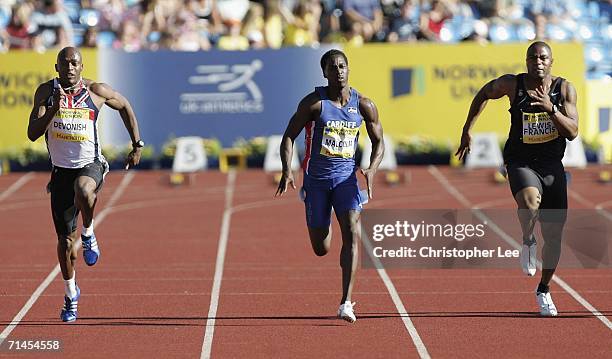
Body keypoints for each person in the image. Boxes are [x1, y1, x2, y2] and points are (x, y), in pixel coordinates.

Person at [456, 41, 579, 316]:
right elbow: (484, 93)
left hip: (551, 164)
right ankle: (527, 240)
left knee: (555, 237)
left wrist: (551, 108)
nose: (538, 61)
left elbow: (572, 132)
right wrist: (467, 129)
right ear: (526, 61)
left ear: (551, 61)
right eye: (533, 57)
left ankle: (544, 289)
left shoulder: (564, 89)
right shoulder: (513, 85)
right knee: (530, 200)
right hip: (520, 160)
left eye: (543, 57)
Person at [27, 47, 144, 322]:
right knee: (65, 243)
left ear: (81, 67)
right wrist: (52, 109)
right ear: (56, 68)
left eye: (74, 63)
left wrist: (136, 144)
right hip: (60, 173)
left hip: (91, 165)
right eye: (64, 63)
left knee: (84, 190)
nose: (69, 67)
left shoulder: (96, 91)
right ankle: (71, 294)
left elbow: (125, 106)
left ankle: (89, 233)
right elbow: (33, 133)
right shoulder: (46, 92)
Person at [275, 49, 384, 323]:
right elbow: (289, 136)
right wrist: (288, 169)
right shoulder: (314, 103)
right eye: (333, 67)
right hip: (317, 182)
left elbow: (379, 141)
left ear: (348, 69)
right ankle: (319, 214)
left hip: (346, 180)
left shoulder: (364, 105)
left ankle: (346, 302)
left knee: (351, 233)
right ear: (324, 73)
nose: (339, 71)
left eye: (343, 66)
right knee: (321, 247)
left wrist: (372, 167)